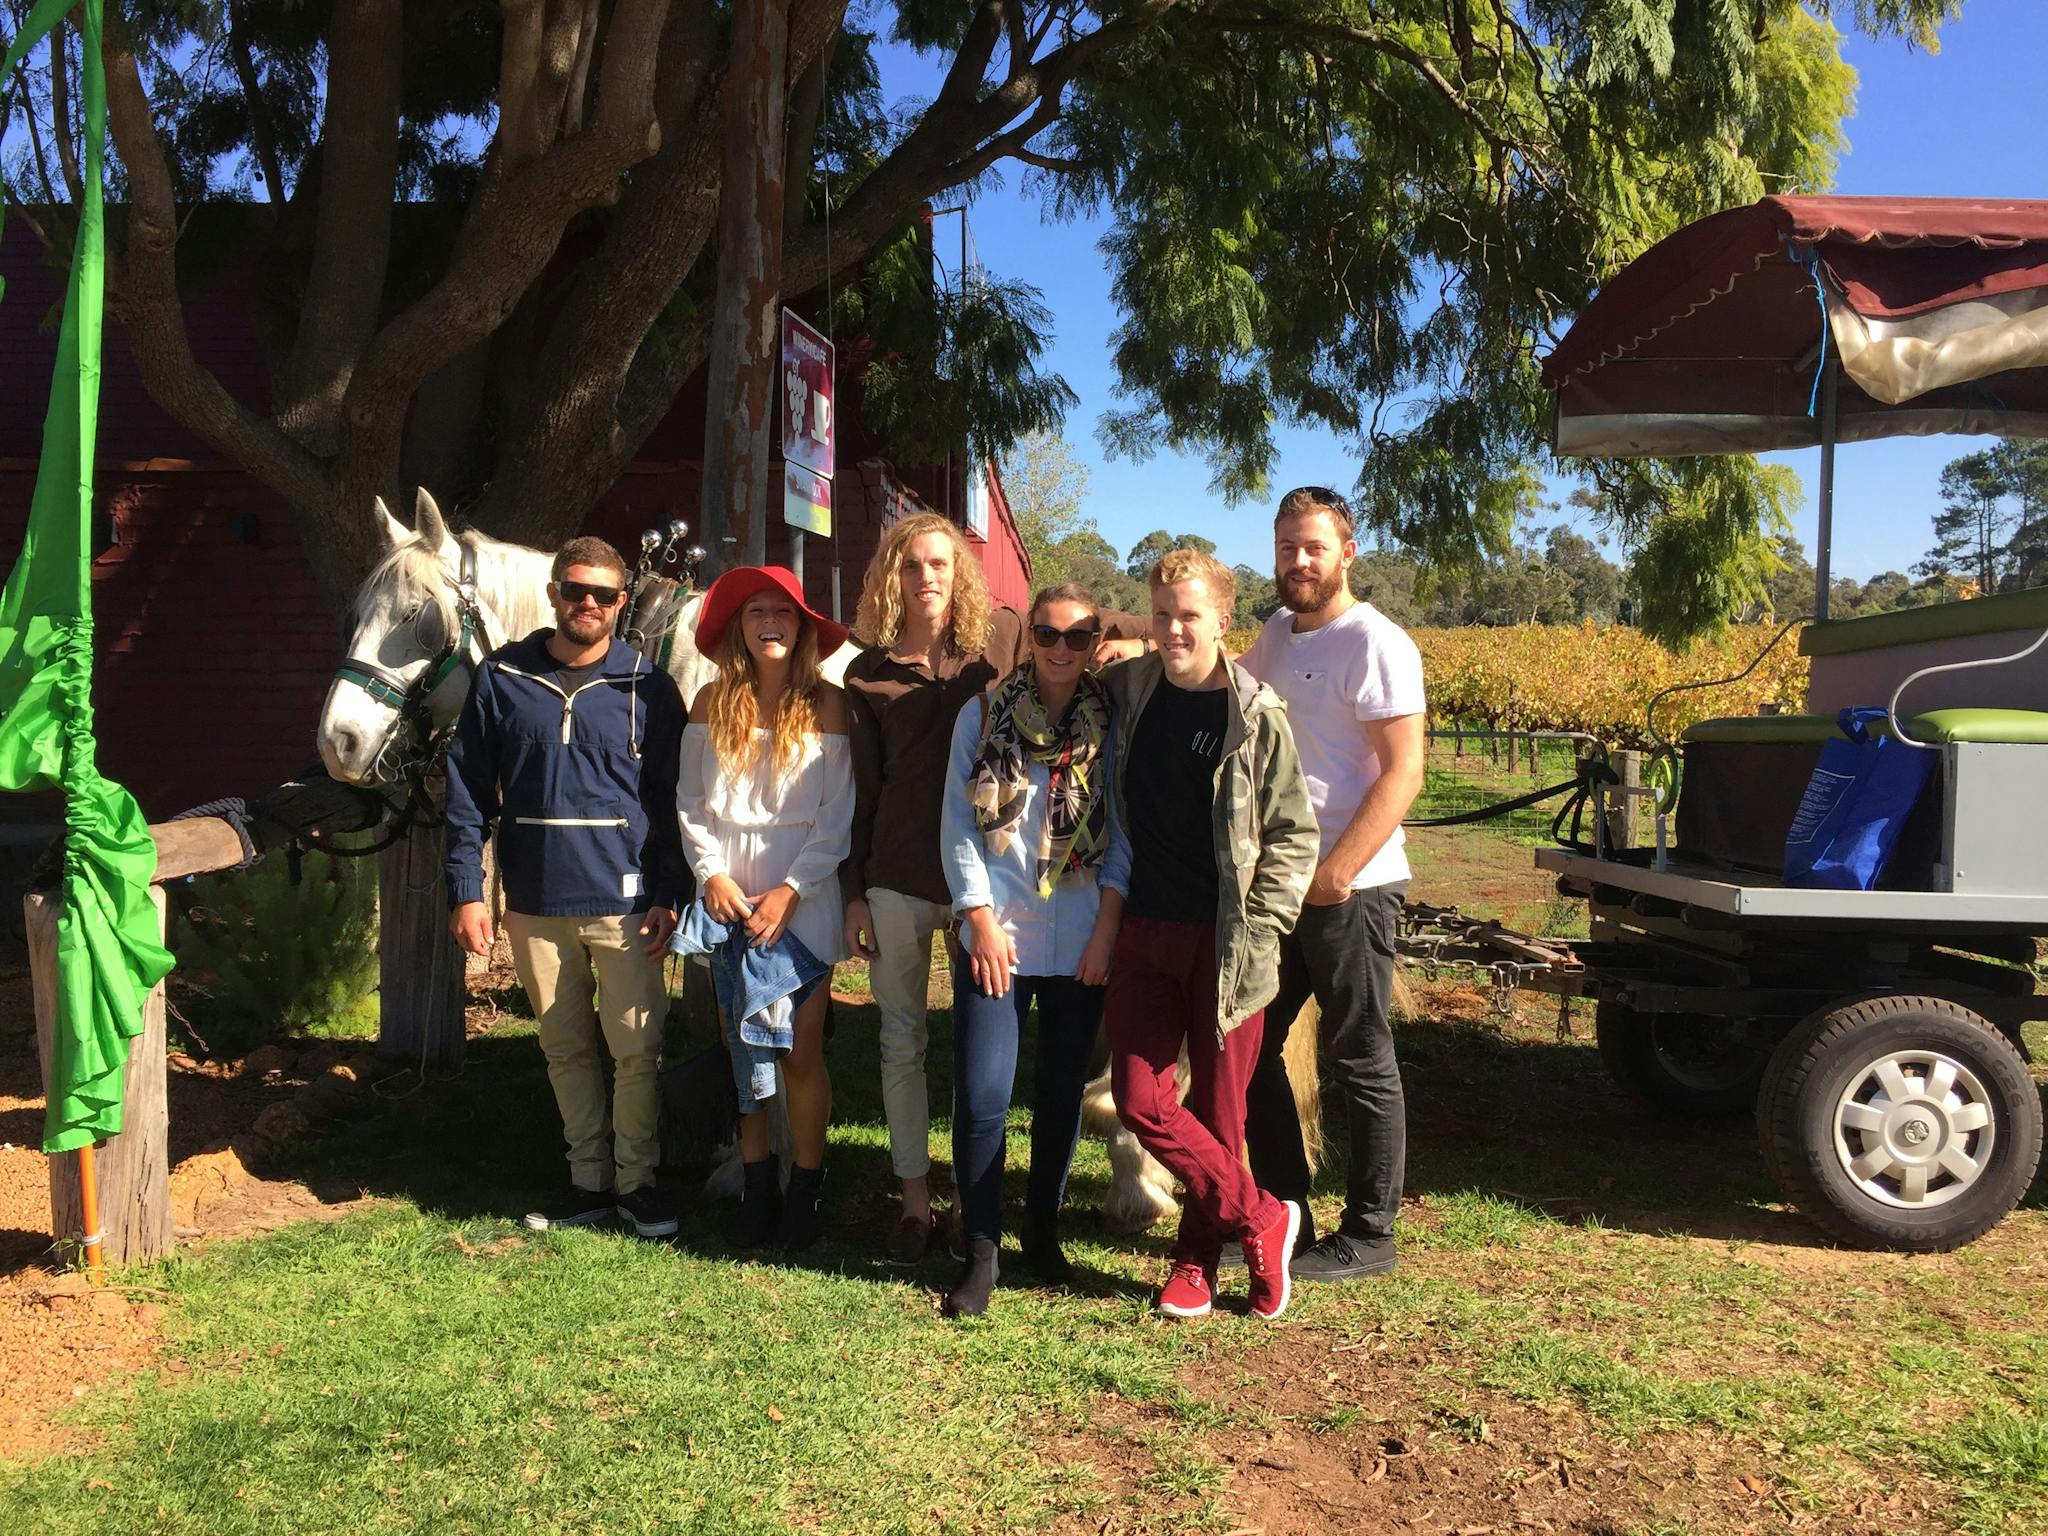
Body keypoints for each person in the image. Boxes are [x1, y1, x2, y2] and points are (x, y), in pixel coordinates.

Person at [841, 512, 1143, 1263]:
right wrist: (853, 886)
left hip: (1021, 897)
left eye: (940, 563)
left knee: (1039, 1076)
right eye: (912, 565)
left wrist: (1173, 627)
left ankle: (1024, 1226)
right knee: (906, 1042)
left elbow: (1086, 616)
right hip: (911, 875)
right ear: (892, 576)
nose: (927, 577)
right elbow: (859, 791)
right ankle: (920, 1204)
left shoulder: (993, 648)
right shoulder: (868, 672)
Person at [444, 535, 687, 1239]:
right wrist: (467, 890)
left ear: (620, 604)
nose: (587, 604)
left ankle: (638, 1185)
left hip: (627, 902)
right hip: (535, 901)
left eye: (603, 595)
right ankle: (587, 1182)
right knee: (565, 1046)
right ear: (553, 594)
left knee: (637, 1048)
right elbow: (467, 794)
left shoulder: (649, 687)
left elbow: (673, 801)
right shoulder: (501, 679)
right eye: (574, 590)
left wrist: (670, 893)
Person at [1099, 548, 1319, 1321]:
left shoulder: (1256, 716)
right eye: (1161, 614)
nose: (1172, 629)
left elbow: (1294, 835)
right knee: (1139, 1096)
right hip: (1146, 931)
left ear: (1224, 621)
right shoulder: (1132, 689)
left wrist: (1263, 929)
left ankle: (1196, 1262)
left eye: (1188, 615)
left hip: (1229, 944)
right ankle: (1264, 1215)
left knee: (1223, 1119)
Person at [1238, 486, 1426, 1282]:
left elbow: (1405, 772)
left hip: (1354, 886)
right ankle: (1285, 1211)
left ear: (1347, 552)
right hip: (1286, 885)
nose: (1299, 562)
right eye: (1287, 548)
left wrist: (1338, 871)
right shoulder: (1277, 634)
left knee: (1359, 1054)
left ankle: (1372, 1235)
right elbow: (1226, 685)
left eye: (1314, 547)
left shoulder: (1376, 643)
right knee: (1247, 1044)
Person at [938, 582, 1132, 1316]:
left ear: (1092, 644)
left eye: (1076, 638)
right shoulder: (982, 715)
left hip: (1081, 934)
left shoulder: (1109, 723)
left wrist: (1109, 928)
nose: (1059, 649)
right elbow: (958, 823)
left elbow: (1125, 833)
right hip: (999, 932)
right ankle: (981, 1247)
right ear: (1029, 640)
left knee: (1059, 1095)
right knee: (985, 1094)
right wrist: (976, 918)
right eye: (1046, 634)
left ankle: (1041, 1235)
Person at [675, 565, 854, 1250]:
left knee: (801, 1051)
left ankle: (805, 1189)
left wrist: (790, 889)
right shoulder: (707, 704)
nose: (769, 621)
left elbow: (837, 816)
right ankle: (756, 1187)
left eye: (782, 610)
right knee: (742, 1047)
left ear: (803, 626)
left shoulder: (830, 706)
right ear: (736, 627)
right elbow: (691, 805)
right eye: (755, 611)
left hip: (802, 894)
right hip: (727, 894)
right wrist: (710, 874)